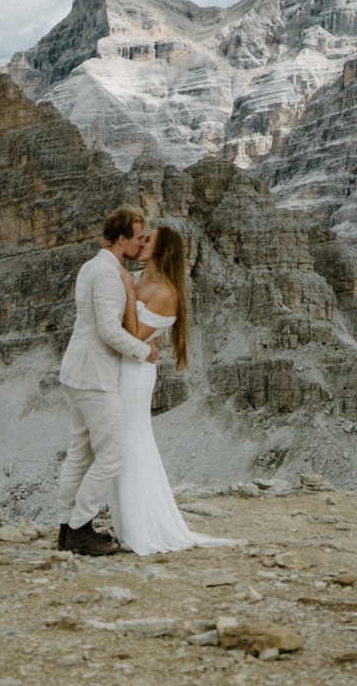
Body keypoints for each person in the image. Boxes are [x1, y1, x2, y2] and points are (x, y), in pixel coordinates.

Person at [108, 224, 241, 555]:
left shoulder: (166, 292)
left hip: (135, 374)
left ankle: (143, 528)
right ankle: (126, 525)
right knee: (117, 442)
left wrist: (126, 290)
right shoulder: (138, 279)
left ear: (162, 249)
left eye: (147, 239)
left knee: (133, 442)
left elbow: (134, 335)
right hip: (119, 369)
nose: (140, 243)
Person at [54, 205, 154, 556]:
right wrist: (145, 352)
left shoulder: (91, 265)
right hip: (94, 376)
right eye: (139, 238)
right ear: (123, 238)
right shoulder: (110, 274)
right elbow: (109, 330)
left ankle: (66, 529)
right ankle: (81, 529)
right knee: (112, 456)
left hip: (77, 371)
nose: (142, 244)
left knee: (80, 454)